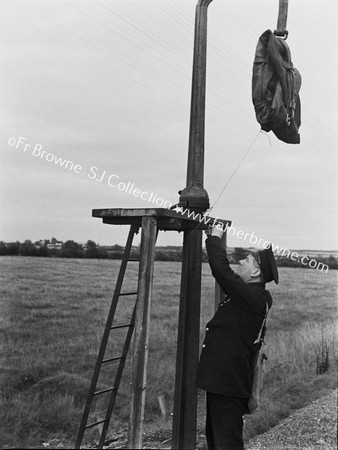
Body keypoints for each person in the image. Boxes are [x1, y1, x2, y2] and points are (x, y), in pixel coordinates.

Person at [197, 223, 279, 450]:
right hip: (223, 381)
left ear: (255, 272)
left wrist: (215, 237)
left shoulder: (253, 298)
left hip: (228, 383)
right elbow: (227, 275)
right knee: (216, 441)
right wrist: (210, 237)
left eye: (247, 261)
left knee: (227, 443)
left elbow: (221, 271)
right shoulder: (251, 296)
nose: (240, 262)